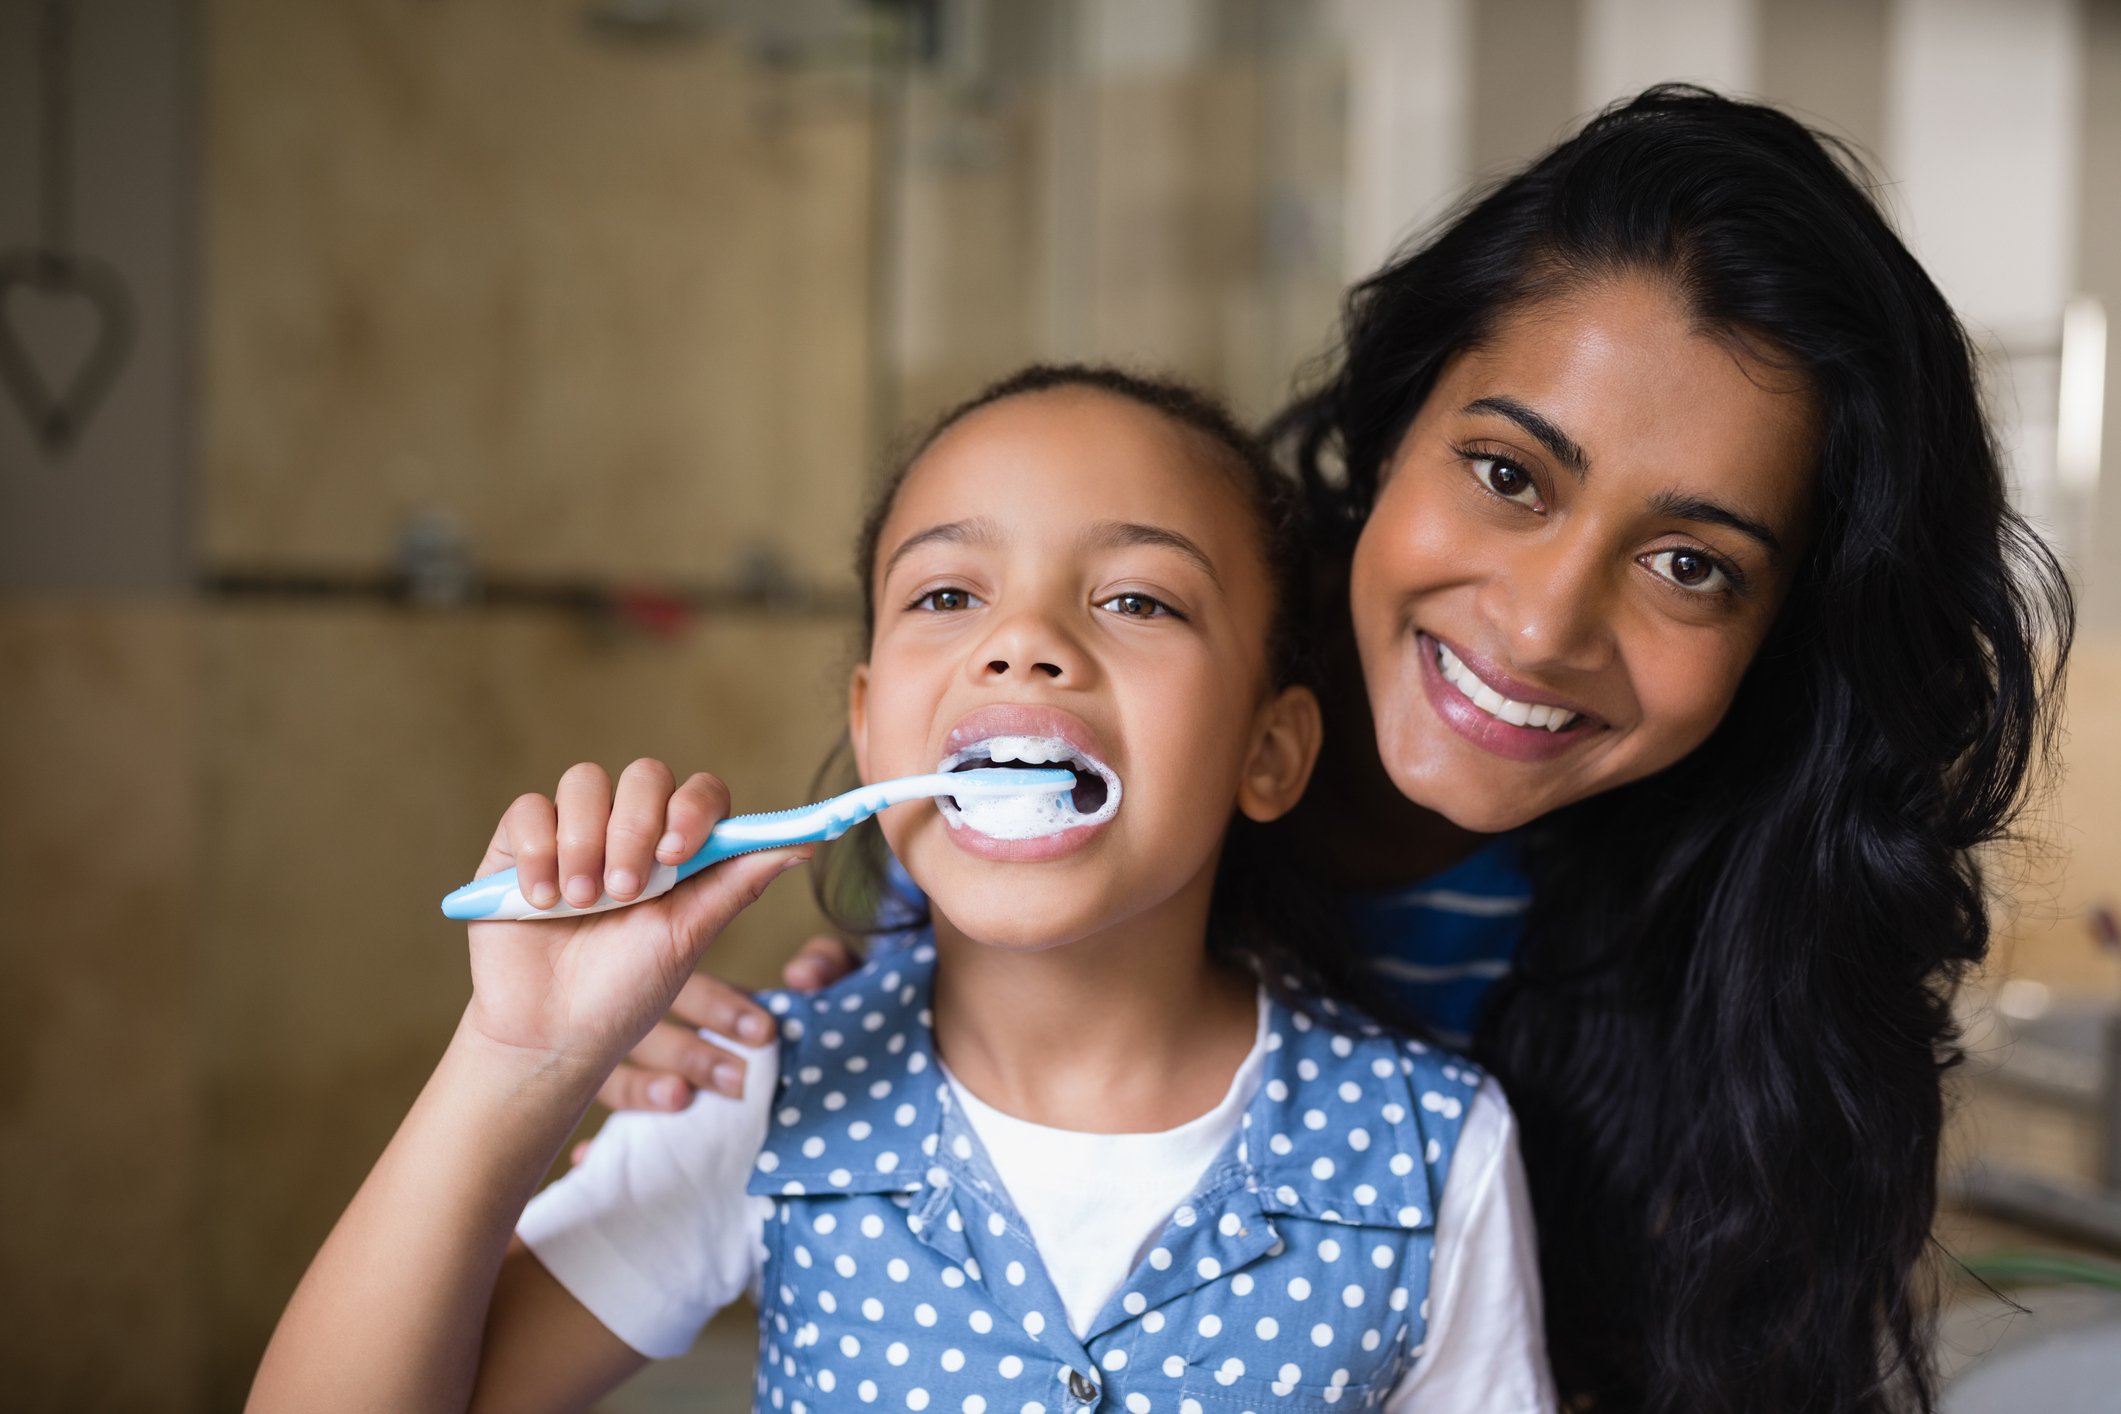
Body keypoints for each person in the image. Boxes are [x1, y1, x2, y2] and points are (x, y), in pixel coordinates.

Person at [623, 90, 2072, 1412]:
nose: (1541, 621)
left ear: (1779, 644)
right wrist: (732, 1049)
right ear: (1394, 426)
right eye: (1507, 475)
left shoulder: (1730, 961)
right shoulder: (1098, 703)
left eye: (1691, 565)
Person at [247, 366, 1557, 1414]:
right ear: (874, 732)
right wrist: (514, 1056)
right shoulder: (762, 1093)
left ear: (1269, 750)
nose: (1024, 640)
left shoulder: (1433, 1153)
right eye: (946, 591)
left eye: (1138, 600)